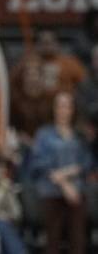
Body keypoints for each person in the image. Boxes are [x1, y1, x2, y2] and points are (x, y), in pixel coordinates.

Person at [29, 91, 93, 254]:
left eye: (67, 106)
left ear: (73, 109)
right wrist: (64, 183)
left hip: (77, 190)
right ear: (54, 109)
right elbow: (39, 163)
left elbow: (87, 162)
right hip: (51, 189)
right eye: (60, 106)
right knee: (53, 240)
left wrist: (68, 173)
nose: (63, 110)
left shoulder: (80, 135)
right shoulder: (44, 134)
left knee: (78, 239)